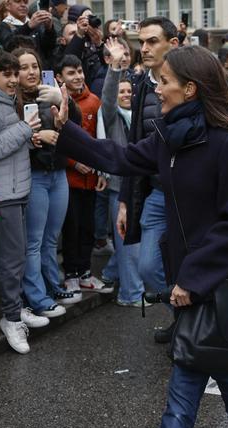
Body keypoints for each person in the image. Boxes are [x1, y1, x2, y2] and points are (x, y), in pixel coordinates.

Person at [54, 44, 228, 428]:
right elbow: (118, 159)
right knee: (227, 370)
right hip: (187, 280)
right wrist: (66, 129)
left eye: (165, 80)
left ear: (190, 89)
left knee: (184, 391)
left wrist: (192, 280)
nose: (157, 86)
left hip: (217, 280)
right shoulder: (169, 134)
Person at [0, 50, 49, 354]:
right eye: (8, 74)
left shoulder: (2, 101)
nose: (14, 79)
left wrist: (27, 138)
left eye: (15, 73)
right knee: (11, 260)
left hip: (15, 189)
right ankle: (12, 318)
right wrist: (24, 130)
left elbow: (5, 144)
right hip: (3, 194)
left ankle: (16, 310)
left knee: (16, 258)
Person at [118, 16, 178, 343]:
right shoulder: (142, 85)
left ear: (174, 43)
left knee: (185, 264)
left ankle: (193, 327)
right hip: (154, 193)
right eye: (141, 42)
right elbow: (133, 145)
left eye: (152, 41)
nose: (144, 48)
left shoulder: (192, 79)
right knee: (148, 267)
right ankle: (182, 318)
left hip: (187, 195)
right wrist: (125, 200)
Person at [13, 47, 81, 321]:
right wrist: (37, 134)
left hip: (58, 173)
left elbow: (74, 123)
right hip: (34, 175)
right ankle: (37, 296)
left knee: (52, 238)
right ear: (14, 73)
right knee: (34, 240)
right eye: (24, 67)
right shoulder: (11, 101)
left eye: (35, 66)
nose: (31, 72)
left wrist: (65, 99)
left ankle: (53, 286)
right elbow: (11, 138)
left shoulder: (49, 91)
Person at [96, 37, 146, 307]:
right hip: (119, 187)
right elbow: (107, 96)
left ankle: (109, 273)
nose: (125, 95)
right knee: (128, 242)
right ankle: (131, 295)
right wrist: (115, 69)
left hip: (140, 184)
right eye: (122, 92)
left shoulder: (139, 115)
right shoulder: (112, 116)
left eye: (129, 91)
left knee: (130, 239)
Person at [56, 54, 111, 296]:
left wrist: (101, 170)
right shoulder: (56, 102)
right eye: (71, 73)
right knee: (72, 228)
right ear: (59, 78)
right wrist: (73, 162)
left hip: (91, 179)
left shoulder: (94, 101)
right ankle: (70, 275)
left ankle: (85, 271)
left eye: (79, 71)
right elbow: (54, 140)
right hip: (68, 180)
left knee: (88, 227)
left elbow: (100, 138)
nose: (77, 76)